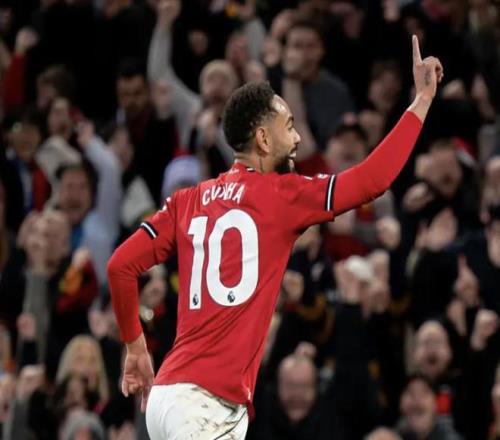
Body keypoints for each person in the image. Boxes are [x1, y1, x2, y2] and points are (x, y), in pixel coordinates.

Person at [107, 35, 443, 439]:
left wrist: (136, 347)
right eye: (289, 127)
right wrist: (421, 100)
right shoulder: (282, 196)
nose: (297, 139)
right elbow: (373, 179)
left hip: (167, 398)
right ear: (264, 140)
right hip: (206, 405)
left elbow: (120, 266)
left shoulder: (186, 201)